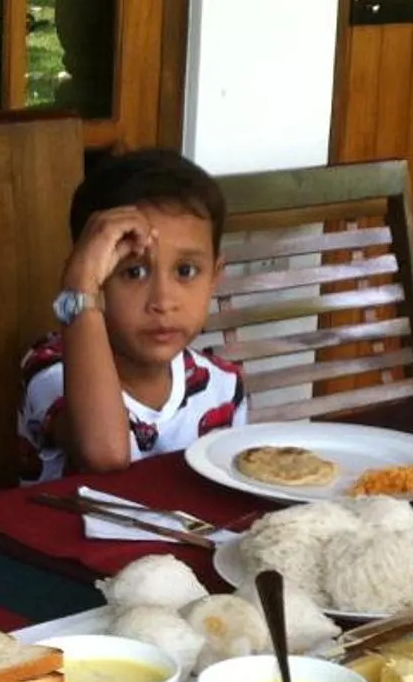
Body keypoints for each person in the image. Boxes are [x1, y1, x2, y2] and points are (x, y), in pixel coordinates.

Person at [18, 147, 245, 481]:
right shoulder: (50, 369)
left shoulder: (224, 386)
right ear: (96, 279)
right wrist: (79, 285)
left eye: (186, 271)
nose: (163, 301)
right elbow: (104, 453)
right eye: (133, 272)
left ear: (214, 276)